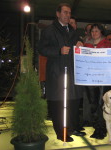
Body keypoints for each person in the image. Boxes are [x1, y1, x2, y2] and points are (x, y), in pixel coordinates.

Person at [38, 3, 85, 142]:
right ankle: (61, 133)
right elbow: (41, 49)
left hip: (71, 71)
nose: (67, 15)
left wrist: (80, 42)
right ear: (58, 14)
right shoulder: (49, 30)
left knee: (71, 102)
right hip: (56, 72)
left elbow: (78, 40)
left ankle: (69, 129)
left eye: (69, 13)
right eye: (65, 12)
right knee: (58, 104)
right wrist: (58, 51)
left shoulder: (72, 30)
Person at [83, 23, 111, 139]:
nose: (94, 33)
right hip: (90, 79)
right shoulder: (86, 45)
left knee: (102, 104)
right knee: (93, 104)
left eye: (97, 31)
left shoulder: (107, 44)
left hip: (103, 79)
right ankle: (97, 127)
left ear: (101, 32)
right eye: (93, 31)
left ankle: (102, 129)